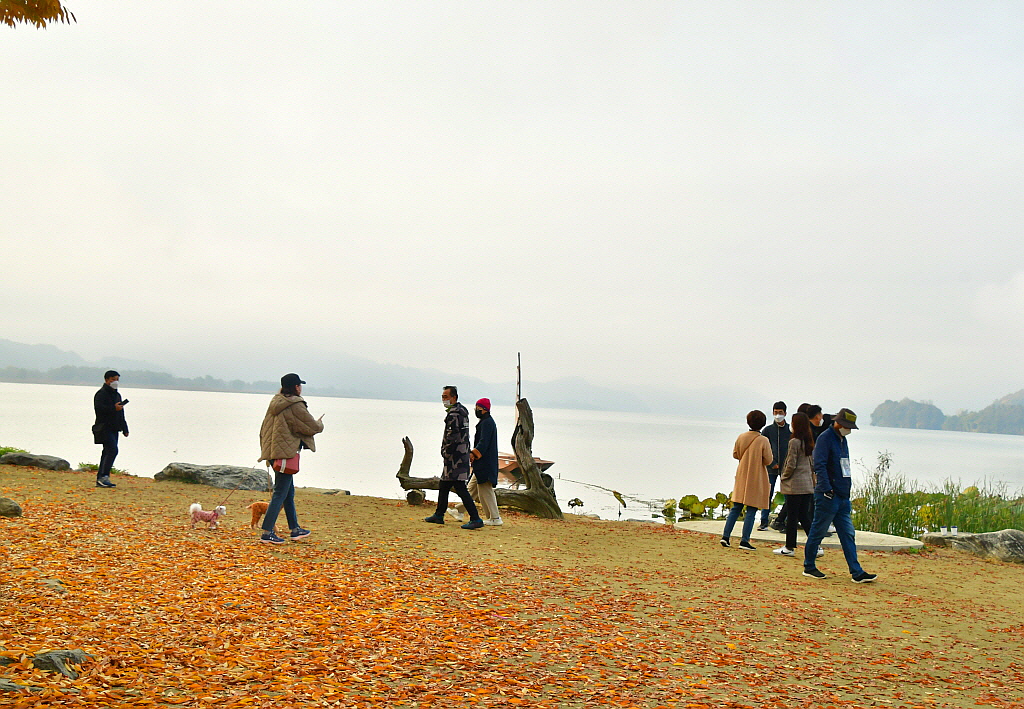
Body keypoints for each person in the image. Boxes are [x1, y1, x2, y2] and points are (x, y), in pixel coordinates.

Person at [802, 408, 878, 582]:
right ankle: (809, 566)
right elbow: (819, 465)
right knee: (818, 531)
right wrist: (827, 489)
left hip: (842, 496)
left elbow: (844, 466)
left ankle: (856, 572)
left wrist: (846, 490)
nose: (848, 429)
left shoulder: (842, 440)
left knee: (847, 533)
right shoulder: (825, 438)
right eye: (846, 426)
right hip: (828, 495)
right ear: (838, 423)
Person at [257, 373, 324, 544]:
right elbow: (310, 426)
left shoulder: (275, 402)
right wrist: (320, 423)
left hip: (274, 453)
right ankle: (267, 532)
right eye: (299, 385)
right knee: (280, 492)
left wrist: (267, 453)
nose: (301, 388)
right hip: (286, 455)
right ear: (296, 387)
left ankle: (295, 529)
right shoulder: (295, 404)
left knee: (288, 492)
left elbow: (265, 429)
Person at [424, 386, 484, 530]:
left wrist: (446, 451)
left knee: (460, 487)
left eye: (446, 397)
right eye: (442, 397)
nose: (444, 399)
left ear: (454, 397)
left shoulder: (454, 414)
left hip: (455, 457)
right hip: (461, 454)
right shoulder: (463, 411)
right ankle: (439, 514)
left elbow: (453, 436)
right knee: (444, 484)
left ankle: (475, 518)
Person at [720, 410, 773, 550]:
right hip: (756, 477)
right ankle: (744, 540)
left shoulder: (741, 437)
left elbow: (735, 454)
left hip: (742, 474)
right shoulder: (763, 440)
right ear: (763, 423)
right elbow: (768, 460)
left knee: (736, 508)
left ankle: (725, 536)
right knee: (752, 508)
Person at [773, 412, 820, 557]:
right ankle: (816, 545)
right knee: (803, 516)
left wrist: (784, 476)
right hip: (807, 484)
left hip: (795, 485)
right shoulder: (808, 441)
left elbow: (791, 463)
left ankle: (789, 547)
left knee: (792, 516)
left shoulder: (794, 442)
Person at [451, 398, 502, 526]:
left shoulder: (487, 423)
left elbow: (483, 443)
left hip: (485, 463)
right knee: (471, 489)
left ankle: (495, 517)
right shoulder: (485, 422)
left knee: (485, 490)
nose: (476, 410)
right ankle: (459, 511)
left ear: (484, 409)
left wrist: (473, 454)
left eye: (477, 408)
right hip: (481, 463)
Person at [93, 370, 128, 488]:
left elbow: (121, 413)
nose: (115, 382)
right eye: (113, 379)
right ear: (107, 380)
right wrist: (113, 408)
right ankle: (103, 476)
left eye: (117, 379)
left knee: (107, 452)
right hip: (104, 427)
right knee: (112, 450)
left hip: (115, 428)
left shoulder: (117, 395)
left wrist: (125, 428)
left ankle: (102, 477)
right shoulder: (101, 394)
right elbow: (99, 409)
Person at [759, 401, 790, 530]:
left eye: (780, 412)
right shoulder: (767, 430)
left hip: (787, 469)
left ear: (785, 413)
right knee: (767, 494)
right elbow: (762, 449)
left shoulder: (790, 430)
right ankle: (763, 521)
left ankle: (785, 520)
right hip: (771, 469)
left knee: (788, 495)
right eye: (776, 412)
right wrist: (771, 463)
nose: (778, 415)